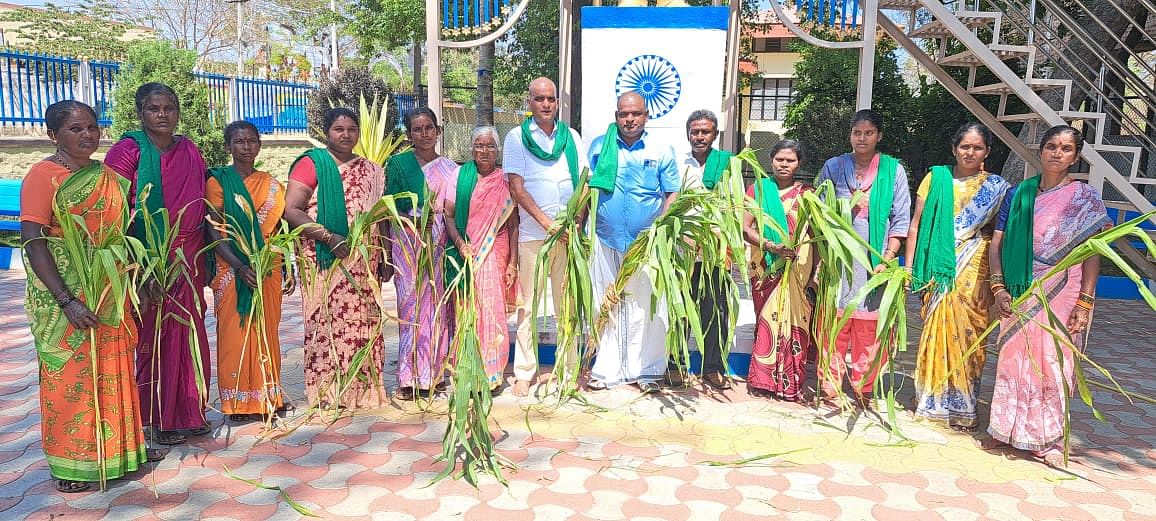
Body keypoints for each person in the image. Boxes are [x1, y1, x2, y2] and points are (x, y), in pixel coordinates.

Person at [21, 101, 163, 493]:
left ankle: (122, 450)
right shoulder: (43, 176)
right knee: (70, 376)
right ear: (54, 135)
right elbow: (34, 241)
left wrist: (142, 277)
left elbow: (120, 236)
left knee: (114, 367)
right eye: (75, 129)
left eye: (92, 127)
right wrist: (67, 300)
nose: (87, 135)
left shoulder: (108, 177)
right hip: (65, 295)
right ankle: (72, 461)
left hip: (109, 290)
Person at [981, 125, 1109, 467]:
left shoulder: (1084, 199)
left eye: (1066, 148)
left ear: (1076, 156)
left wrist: (1085, 301)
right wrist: (998, 287)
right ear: (1041, 151)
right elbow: (998, 243)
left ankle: (1047, 438)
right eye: (1051, 146)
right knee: (1012, 356)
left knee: (1053, 361)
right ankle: (1004, 428)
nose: (1057, 153)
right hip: (1019, 287)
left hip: (1062, 287)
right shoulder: (1019, 194)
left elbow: (1092, 252)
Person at [105, 82, 210, 444]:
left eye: (169, 108)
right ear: (140, 113)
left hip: (189, 258)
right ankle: (154, 419)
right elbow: (112, 212)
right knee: (154, 337)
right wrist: (139, 267)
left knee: (188, 334)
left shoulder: (190, 150)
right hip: (148, 259)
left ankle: (188, 411)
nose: (162, 114)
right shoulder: (128, 150)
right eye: (154, 108)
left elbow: (202, 204)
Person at [905, 123, 1009, 431]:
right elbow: (916, 225)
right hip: (938, 267)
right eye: (965, 146)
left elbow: (1000, 234)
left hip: (974, 269)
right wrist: (910, 267)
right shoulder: (936, 179)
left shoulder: (996, 187)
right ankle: (930, 402)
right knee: (935, 331)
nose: (970, 152)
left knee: (969, 337)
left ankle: (963, 406)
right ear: (954, 148)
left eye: (977, 148)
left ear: (987, 152)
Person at [284, 107, 387, 409]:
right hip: (322, 259)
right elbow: (292, 210)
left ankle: (363, 390)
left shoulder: (371, 169)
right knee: (324, 322)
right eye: (339, 129)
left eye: (352, 129)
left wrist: (386, 254)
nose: (346, 135)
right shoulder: (311, 164)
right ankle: (328, 392)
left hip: (363, 261)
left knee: (364, 323)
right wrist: (328, 238)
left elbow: (380, 215)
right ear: (326, 132)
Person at [814, 109, 911, 406]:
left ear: (879, 136)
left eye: (869, 133)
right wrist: (821, 260)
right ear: (850, 135)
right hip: (840, 259)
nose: (862, 138)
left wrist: (889, 255)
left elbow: (901, 218)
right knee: (835, 322)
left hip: (875, 261)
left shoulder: (892, 171)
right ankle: (830, 387)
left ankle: (863, 387)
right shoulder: (834, 166)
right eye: (857, 133)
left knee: (869, 328)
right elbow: (818, 212)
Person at [587, 91, 680, 394]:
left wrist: (658, 231)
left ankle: (648, 371)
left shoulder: (660, 148)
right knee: (608, 302)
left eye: (636, 114)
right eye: (624, 114)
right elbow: (586, 190)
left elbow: (672, 193)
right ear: (617, 116)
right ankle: (606, 369)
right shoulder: (600, 147)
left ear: (646, 116)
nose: (629, 119)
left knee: (647, 307)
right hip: (606, 239)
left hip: (647, 245)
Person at [503, 77, 589, 396]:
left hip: (566, 237)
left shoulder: (572, 137)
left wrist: (574, 223)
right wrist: (547, 223)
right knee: (528, 306)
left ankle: (568, 370)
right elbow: (516, 188)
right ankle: (525, 371)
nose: (546, 104)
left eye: (550, 98)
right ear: (530, 102)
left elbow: (582, 184)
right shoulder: (516, 138)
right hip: (531, 236)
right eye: (539, 98)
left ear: (557, 102)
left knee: (566, 305)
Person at [206, 121, 293, 423]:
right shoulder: (218, 182)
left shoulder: (270, 184)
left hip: (267, 264)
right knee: (235, 332)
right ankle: (238, 402)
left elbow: (279, 227)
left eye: (251, 141)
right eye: (239, 141)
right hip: (232, 267)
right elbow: (214, 231)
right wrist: (240, 265)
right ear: (229, 145)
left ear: (259, 144)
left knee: (267, 329)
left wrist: (288, 264)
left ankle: (269, 395)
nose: (246, 147)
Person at [383, 107, 457, 400]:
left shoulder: (451, 168)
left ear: (438, 130)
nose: (424, 134)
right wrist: (388, 254)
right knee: (410, 307)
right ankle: (408, 376)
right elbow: (388, 209)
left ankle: (434, 374)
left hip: (438, 244)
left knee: (437, 308)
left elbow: (453, 211)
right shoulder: (398, 165)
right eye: (417, 129)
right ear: (409, 134)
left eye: (429, 128)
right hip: (406, 243)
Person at [445, 127, 520, 393]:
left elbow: (513, 224)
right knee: (466, 310)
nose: (484, 151)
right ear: (472, 149)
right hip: (466, 253)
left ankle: (492, 373)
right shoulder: (460, 175)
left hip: (495, 253)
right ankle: (468, 368)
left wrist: (513, 262)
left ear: (498, 150)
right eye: (479, 145)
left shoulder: (505, 180)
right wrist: (460, 244)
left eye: (490, 146)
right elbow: (449, 216)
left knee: (492, 312)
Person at [743, 140, 817, 402]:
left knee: (794, 323)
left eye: (790, 160)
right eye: (780, 159)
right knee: (766, 320)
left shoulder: (808, 194)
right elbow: (745, 227)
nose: (784, 165)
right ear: (771, 160)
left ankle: (789, 383)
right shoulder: (758, 190)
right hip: (766, 266)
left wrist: (815, 272)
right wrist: (772, 245)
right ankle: (763, 381)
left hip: (797, 268)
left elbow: (816, 236)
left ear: (799, 164)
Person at [679, 109, 735, 390]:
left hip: (714, 247)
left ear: (715, 135)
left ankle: (712, 368)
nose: (700, 137)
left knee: (715, 309)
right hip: (682, 248)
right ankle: (675, 366)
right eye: (695, 131)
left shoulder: (727, 164)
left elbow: (735, 205)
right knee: (680, 308)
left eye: (706, 132)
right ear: (688, 133)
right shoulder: (679, 163)